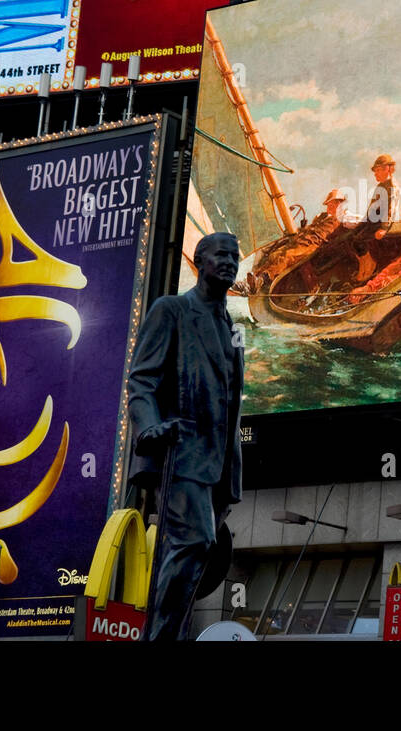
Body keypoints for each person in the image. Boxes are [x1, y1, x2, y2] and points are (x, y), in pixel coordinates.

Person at [127, 232, 244, 641]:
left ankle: (168, 634)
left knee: (198, 555)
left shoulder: (232, 327)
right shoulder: (172, 310)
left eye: (235, 256)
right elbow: (141, 380)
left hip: (217, 467)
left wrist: (232, 474)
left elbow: (231, 403)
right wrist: (150, 426)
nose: (230, 262)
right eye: (221, 255)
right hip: (180, 450)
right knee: (193, 543)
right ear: (199, 261)